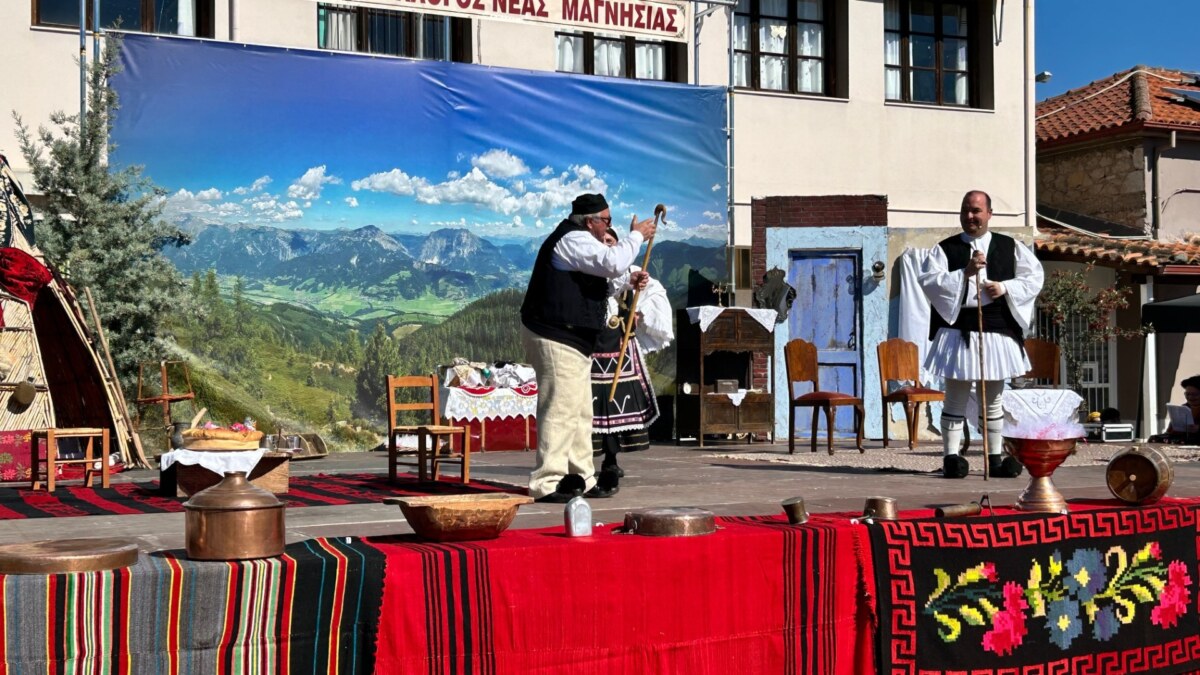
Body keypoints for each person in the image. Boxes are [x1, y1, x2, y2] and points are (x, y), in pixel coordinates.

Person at [520, 193, 656, 503]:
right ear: (590, 221)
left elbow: (603, 279)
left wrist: (629, 280)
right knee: (559, 409)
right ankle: (547, 481)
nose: (608, 226)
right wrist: (637, 236)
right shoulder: (572, 239)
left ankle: (582, 476)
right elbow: (612, 261)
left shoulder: (580, 242)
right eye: (606, 220)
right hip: (555, 334)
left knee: (581, 411)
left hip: (572, 338)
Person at [919, 190, 1045, 478]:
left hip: (996, 330)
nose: (970, 216)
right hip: (959, 330)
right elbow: (929, 281)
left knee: (994, 400)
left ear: (989, 213)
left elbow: (1034, 277)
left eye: (976, 210)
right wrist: (964, 273)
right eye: (965, 210)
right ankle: (951, 457)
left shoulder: (1010, 246)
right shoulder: (944, 248)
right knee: (955, 397)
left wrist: (1005, 287)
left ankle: (994, 457)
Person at [589, 227, 673, 488]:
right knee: (593, 407)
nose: (606, 243)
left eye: (610, 240)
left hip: (621, 350)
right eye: (602, 240)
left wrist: (641, 311)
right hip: (593, 350)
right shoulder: (591, 270)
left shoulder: (631, 270)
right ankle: (584, 461)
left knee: (618, 406)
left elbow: (656, 294)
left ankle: (611, 460)